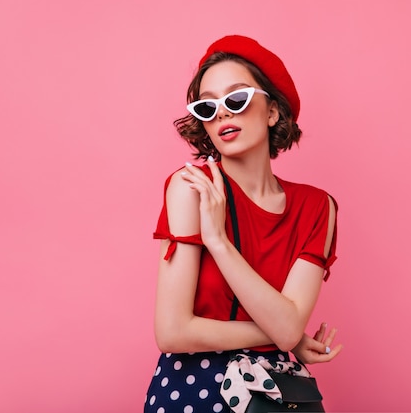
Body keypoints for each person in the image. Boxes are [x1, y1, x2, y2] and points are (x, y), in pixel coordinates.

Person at [144, 35, 341, 413]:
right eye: (208, 105)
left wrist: (218, 241)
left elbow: (287, 327)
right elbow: (172, 332)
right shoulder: (191, 189)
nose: (222, 113)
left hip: (279, 395)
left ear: (272, 112)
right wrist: (287, 336)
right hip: (193, 390)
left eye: (236, 99)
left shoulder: (317, 206)